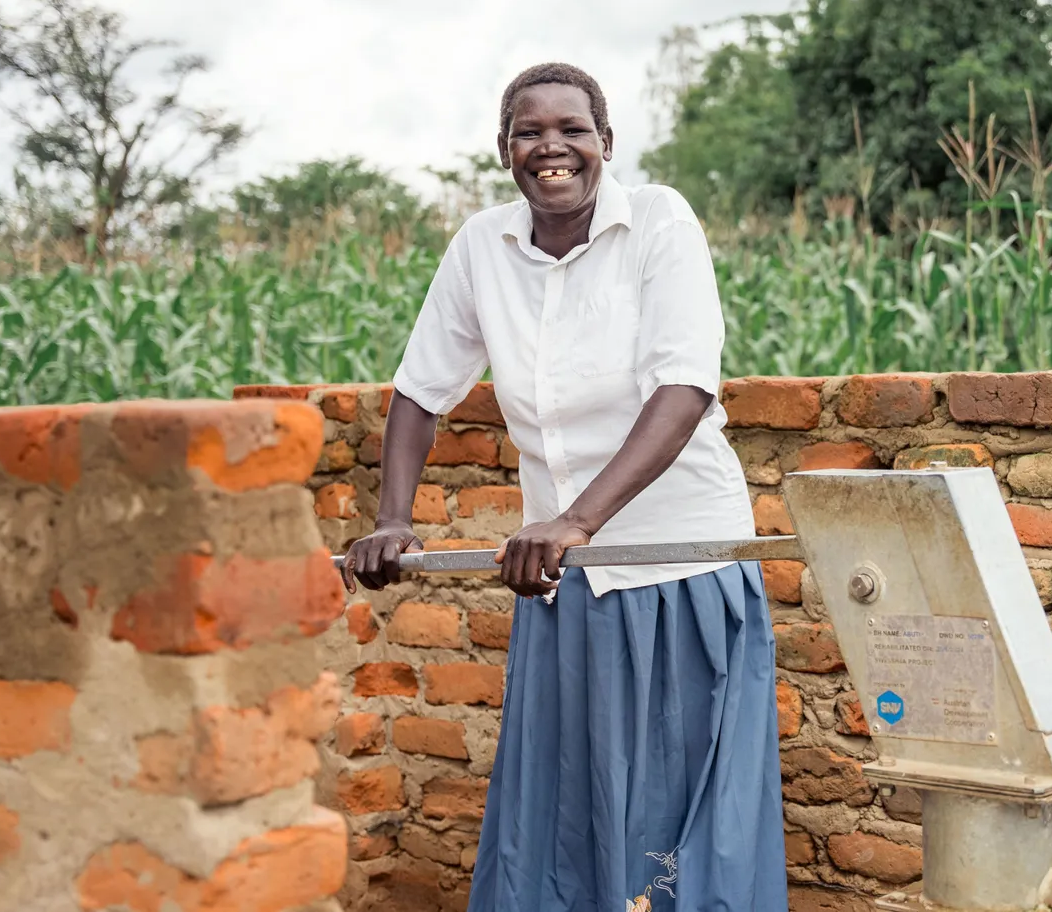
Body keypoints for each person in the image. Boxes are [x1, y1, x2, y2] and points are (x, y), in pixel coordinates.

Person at [338, 62, 788, 912]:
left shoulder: (658, 221)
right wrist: (392, 518)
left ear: (605, 143)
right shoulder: (483, 244)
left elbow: (684, 387)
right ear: (506, 150)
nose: (552, 147)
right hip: (564, 583)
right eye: (529, 132)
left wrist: (576, 518)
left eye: (572, 129)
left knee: (681, 825)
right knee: (566, 818)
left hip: (678, 569)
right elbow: (418, 391)